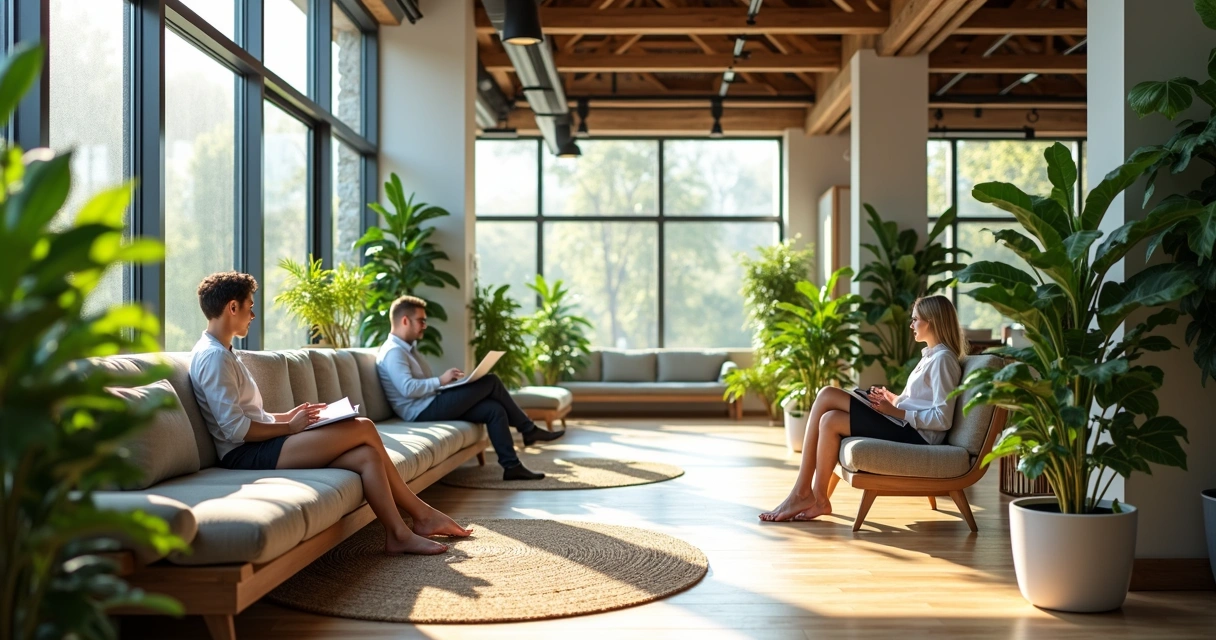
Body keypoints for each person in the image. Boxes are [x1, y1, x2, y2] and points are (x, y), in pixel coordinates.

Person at [189, 272, 470, 555]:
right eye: (249, 306)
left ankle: (398, 534)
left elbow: (250, 415)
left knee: (367, 456)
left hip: (259, 444)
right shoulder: (213, 357)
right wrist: (290, 428)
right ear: (232, 307)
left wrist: (289, 416)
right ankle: (422, 515)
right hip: (245, 455)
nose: (253, 314)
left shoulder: (225, 352)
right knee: (363, 427)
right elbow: (236, 430)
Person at [760, 295, 968, 523]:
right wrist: (893, 399)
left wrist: (895, 412)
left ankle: (800, 493)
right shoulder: (930, 357)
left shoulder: (943, 360)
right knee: (829, 420)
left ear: (931, 322)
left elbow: (942, 418)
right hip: (905, 425)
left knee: (827, 394)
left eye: (915, 319)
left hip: (919, 437)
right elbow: (922, 403)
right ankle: (819, 500)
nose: (911, 325)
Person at [376, 295, 563, 481]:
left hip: (429, 402)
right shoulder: (394, 352)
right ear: (405, 320)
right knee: (490, 382)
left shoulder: (407, 349)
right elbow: (407, 389)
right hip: (419, 411)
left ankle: (512, 466)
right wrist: (441, 380)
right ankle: (528, 429)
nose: (424, 326)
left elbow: (418, 385)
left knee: (494, 410)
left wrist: (449, 384)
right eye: (421, 321)